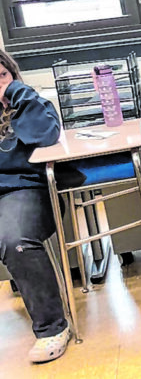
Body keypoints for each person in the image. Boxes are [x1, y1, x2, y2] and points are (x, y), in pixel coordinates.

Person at [0, 50, 71, 363]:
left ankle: (51, 328)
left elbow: (45, 136)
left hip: (24, 190)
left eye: (1, 76)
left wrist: (15, 94)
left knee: (16, 241)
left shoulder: (30, 105)